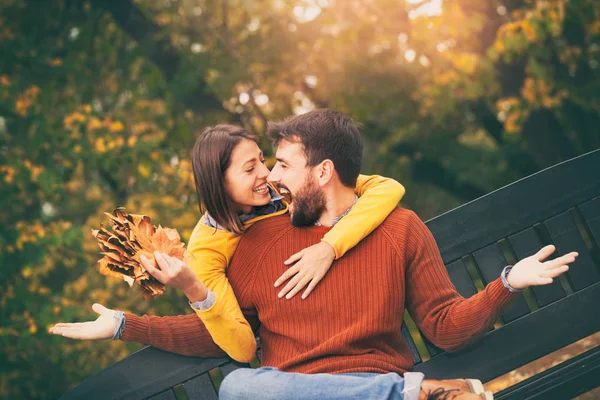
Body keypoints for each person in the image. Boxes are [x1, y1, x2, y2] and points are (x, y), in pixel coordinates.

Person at [51, 110, 577, 400]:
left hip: (360, 379)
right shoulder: (253, 245)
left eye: (279, 164)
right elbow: (224, 332)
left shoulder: (396, 227)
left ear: (322, 172)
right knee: (240, 385)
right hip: (303, 394)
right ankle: (410, 397)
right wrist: (126, 324)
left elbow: (443, 327)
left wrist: (507, 281)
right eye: (260, 167)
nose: (271, 178)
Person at [50, 124, 406, 363]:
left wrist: (329, 247)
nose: (267, 174)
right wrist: (191, 288)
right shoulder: (208, 245)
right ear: (219, 184)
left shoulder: (287, 191)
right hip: (304, 353)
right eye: (249, 169)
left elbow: (387, 187)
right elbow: (241, 345)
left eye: (262, 161)